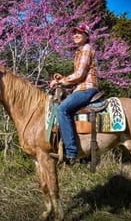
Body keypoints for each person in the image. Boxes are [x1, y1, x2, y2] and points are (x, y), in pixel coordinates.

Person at [49, 23, 98, 165]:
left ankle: (71, 152)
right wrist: (62, 79)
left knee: (62, 109)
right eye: (74, 33)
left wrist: (59, 82)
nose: (75, 35)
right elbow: (77, 77)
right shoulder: (79, 51)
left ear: (87, 36)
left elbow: (80, 74)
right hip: (80, 88)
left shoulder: (87, 49)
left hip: (87, 88)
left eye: (80, 33)